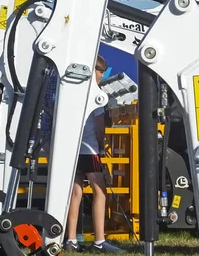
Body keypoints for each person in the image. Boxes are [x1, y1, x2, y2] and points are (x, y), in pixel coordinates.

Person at [63, 55, 125, 253]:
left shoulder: (74, 91)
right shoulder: (96, 94)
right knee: (100, 192)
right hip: (90, 149)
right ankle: (99, 240)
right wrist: (102, 144)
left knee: (75, 193)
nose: (101, 75)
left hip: (73, 148)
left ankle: (70, 239)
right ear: (94, 71)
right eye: (100, 71)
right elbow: (100, 128)